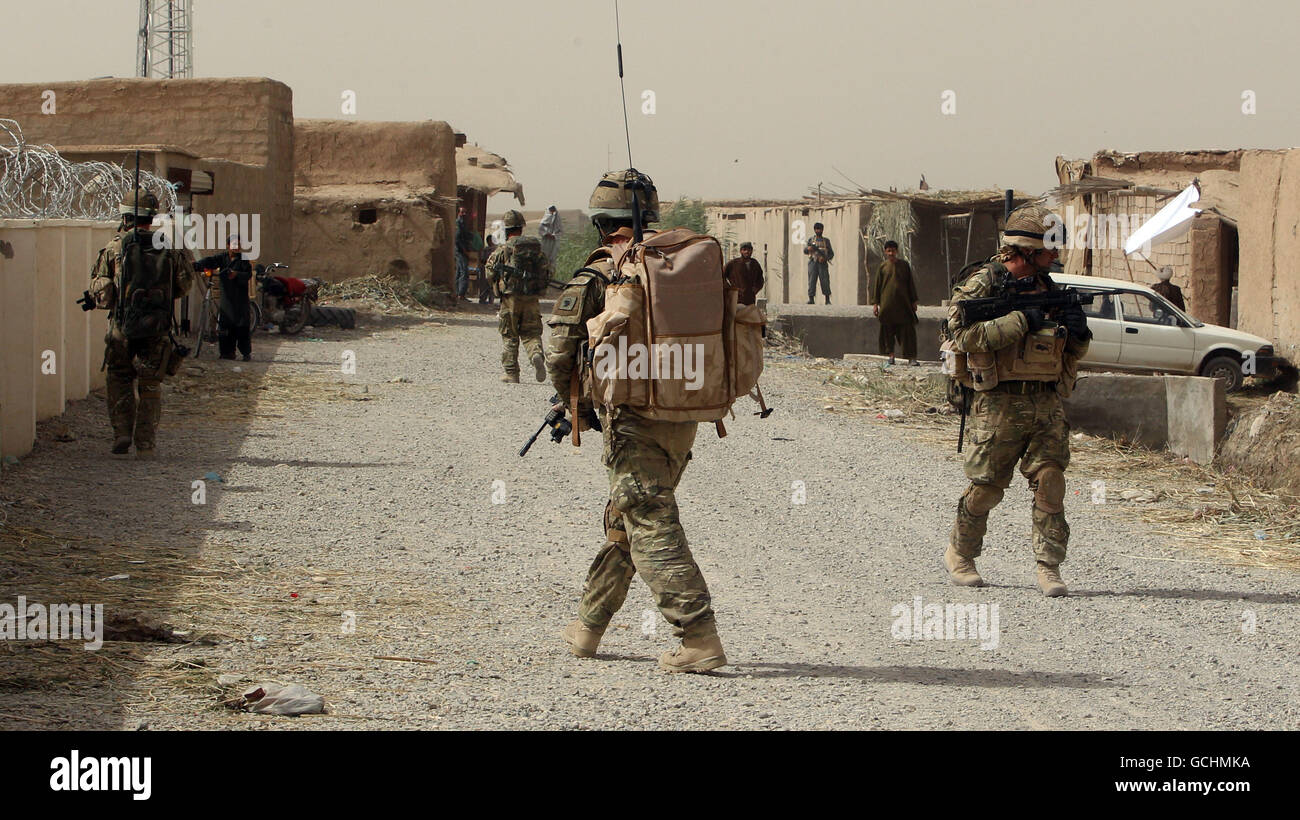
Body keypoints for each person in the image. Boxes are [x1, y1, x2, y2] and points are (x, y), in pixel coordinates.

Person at [546, 169, 727, 673]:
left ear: (603, 222)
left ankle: (698, 637)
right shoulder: (684, 262)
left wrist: (577, 405)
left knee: (647, 519)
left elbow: (559, 351)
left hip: (633, 415)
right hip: (685, 410)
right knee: (626, 517)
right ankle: (589, 625)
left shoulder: (606, 271)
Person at [943, 204, 1091, 598]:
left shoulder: (1051, 288)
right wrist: (1021, 320)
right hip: (998, 403)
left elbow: (1071, 350)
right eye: (1048, 250)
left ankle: (1048, 566)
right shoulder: (984, 284)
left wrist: (1079, 333)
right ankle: (961, 553)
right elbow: (961, 335)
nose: (1055, 257)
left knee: (1051, 480)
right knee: (987, 488)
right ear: (1025, 250)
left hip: (1045, 400)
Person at [88, 188, 195, 459]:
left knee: (119, 377)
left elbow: (103, 292)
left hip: (121, 328)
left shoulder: (114, 248)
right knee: (149, 385)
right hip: (156, 328)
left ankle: (122, 431)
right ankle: (145, 444)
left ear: (125, 217)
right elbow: (182, 287)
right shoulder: (168, 248)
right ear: (152, 217)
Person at [485, 210, 550, 383]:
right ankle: (536, 354)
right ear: (521, 227)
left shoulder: (504, 249)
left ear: (506, 229)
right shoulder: (535, 250)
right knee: (532, 332)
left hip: (510, 299)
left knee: (510, 334)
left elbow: (489, 271)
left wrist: (496, 285)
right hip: (531, 298)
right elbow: (547, 270)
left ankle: (512, 373)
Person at [196, 236, 254, 361]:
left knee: (242, 327)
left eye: (238, 245)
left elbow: (248, 274)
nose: (236, 248)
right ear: (228, 246)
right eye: (234, 245)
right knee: (225, 326)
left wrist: (236, 274)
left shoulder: (244, 259)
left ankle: (245, 352)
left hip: (240, 299)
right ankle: (227, 353)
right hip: (226, 298)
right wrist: (197, 265)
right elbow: (210, 261)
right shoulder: (222, 258)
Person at [870, 240, 919, 365]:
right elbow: (877, 286)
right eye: (889, 251)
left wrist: (913, 301)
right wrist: (875, 304)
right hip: (887, 306)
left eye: (893, 251)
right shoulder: (883, 267)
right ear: (885, 252)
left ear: (897, 251)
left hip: (903, 305)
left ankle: (911, 358)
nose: (891, 253)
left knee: (908, 331)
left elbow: (910, 284)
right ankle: (890, 356)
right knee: (887, 331)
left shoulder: (904, 265)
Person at [724, 241, 765, 305]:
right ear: (740, 251)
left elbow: (760, 279)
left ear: (752, 251)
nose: (747, 252)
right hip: (737, 298)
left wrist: (756, 289)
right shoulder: (733, 263)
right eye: (744, 250)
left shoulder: (755, 264)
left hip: (750, 298)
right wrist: (731, 288)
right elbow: (722, 276)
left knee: (749, 314)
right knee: (737, 314)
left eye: (749, 250)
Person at [804, 222, 833, 304]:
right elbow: (805, 251)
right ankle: (811, 299)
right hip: (813, 262)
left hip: (822, 264)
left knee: (825, 281)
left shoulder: (826, 241)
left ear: (822, 230)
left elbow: (831, 254)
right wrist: (809, 249)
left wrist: (824, 258)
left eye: (820, 229)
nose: (818, 231)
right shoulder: (811, 240)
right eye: (817, 229)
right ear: (814, 230)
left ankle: (827, 299)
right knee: (811, 281)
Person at [454, 206, 473, 301]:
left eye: (465, 212)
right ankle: (460, 294)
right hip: (460, 251)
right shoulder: (458, 224)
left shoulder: (463, 224)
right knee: (463, 272)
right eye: (462, 212)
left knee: (459, 272)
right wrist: (464, 250)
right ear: (458, 213)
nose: (464, 214)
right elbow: (457, 239)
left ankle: (457, 293)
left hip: (462, 250)